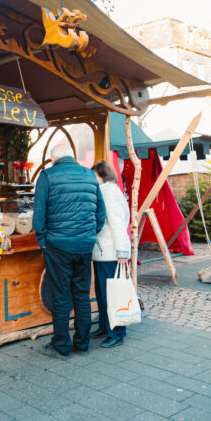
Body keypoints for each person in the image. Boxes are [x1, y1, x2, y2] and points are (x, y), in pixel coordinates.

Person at [34, 145, 105, 358]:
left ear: (53, 158)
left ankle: (62, 346)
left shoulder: (47, 176)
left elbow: (39, 214)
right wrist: (90, 233)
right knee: (82, 296)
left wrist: (43, 241)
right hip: (84, 245)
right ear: (72, 157)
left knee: (61, 296)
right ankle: (82, 344)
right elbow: (100, 212)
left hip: (58, 246)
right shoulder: (89, 175)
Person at [89, 161, 131, 349]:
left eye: (94, 174)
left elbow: (118, 224)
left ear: (101, 175)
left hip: (110, 252)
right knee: (102, 293)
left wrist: (122, 252)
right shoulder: (106, 191)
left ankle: (117, 332)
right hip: (102, 251)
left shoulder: (110, 193)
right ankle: (105, 327)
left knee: (112, 294)